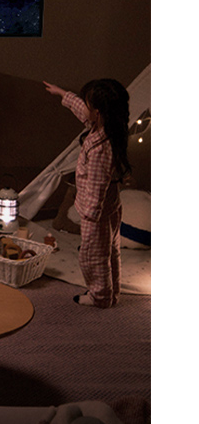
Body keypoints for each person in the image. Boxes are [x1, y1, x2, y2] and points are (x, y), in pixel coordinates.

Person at [44, 79, 131, 308]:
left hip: (98, 212)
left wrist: (89, 219)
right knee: (110, 252)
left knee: (93, 256)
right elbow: (83, 111)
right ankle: (111, 292)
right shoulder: (105, 127)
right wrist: (62, 92)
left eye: (89, 105)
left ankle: (100, 297)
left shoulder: (102, 147)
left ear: (99, 112)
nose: (85, 108)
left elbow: (96, 185)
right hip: (110, 206)